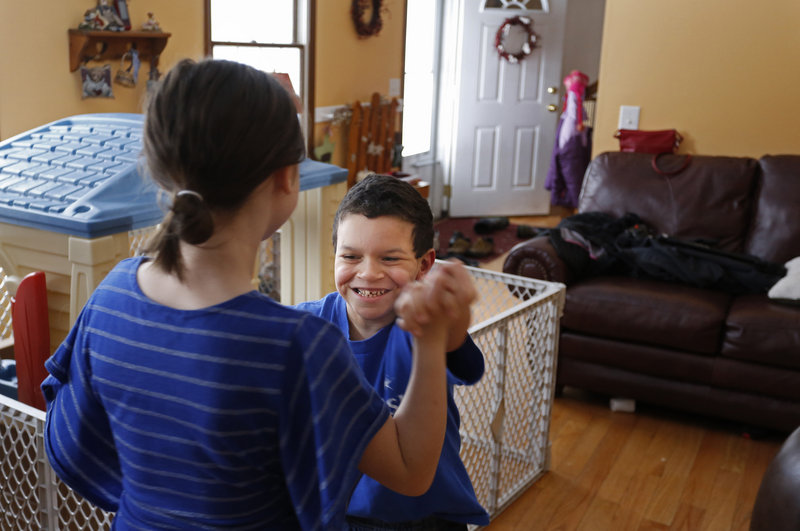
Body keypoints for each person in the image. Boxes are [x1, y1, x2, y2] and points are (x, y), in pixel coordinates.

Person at [40, 58, 474, 530]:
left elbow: (72, 447)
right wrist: (430, 338)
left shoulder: (110, 297)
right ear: (287, 178)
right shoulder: (297, 347)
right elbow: (411, 471)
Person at [295, 174, 491, 530]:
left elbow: (463, 356)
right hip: (341, 515)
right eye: (351, 256)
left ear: (425, 265)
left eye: (389, 258)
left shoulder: (424, 323)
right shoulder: (306, 325)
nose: (368, 273)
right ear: (334, 256)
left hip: (428, 516)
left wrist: (454, 316)